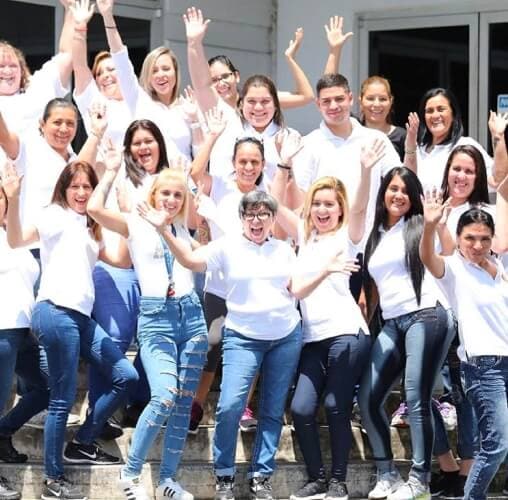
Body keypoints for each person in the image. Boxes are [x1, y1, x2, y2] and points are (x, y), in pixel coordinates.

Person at [142, 190, 302, 500]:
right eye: (250, 214)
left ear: (272, 219)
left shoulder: (284, 249)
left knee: (271, 410)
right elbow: (190, 259)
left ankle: (261, 476)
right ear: (242, 219)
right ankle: (224, 475)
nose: (257, 220)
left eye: (263, 214)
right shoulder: (226, 246)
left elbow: (298, 287)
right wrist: (164, 230)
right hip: (242, 336)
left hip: (285, 337)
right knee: (229, 406)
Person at [3, 158, 138, 500]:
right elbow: (17, 239)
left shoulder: (93, 227)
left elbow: (122, 259)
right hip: (55, 312)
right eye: (75, 186)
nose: (81, 192)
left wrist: (128, 216)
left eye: (87, 187)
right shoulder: (54, 216)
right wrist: (14, 197)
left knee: (126, 374)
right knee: (61, 400)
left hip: (81, 318)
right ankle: (53, 480)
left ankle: (82, 440)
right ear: (64, 189)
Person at [87, 149, 208, 500]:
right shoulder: (136, 222)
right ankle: (131, 474)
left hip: (192, 317)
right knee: (165, 395)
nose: (170, 199)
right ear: (153, 195)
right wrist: (109, 172)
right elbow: (94, 210)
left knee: (184, 405)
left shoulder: (184, 229)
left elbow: (198, 264)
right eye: (165, 193)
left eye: (177, 195)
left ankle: (169, 479)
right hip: (157, 319)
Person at [269, 139, 385, 500]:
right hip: (312, 338)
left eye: (329, 205)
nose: (322, 210)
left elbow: (362, 207)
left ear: (339, 210)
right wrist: (284, 166)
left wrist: (365, 170)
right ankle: (317, 478)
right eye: (316, 203)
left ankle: (338, 480)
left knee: (335, 406)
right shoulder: (305, 236)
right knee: (302, 407)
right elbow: (272, 206)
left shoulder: (348, 239)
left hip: (347, 334)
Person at [358, 167, 454, 500]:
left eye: (404, 190)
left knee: (416, 397)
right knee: (368, 399)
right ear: (383, 192)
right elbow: (372, 290)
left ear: (412, 197)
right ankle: (387, 474)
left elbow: (449, 252)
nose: (397, 194)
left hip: (427, 314)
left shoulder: (418, 225)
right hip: (393, 321)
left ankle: (420, 481)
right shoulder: (377, 233)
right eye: (392, 188)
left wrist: (435, 224)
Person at [184, 108, 272, 433]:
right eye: (243, 161)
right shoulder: (220, 185)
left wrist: (214, 216)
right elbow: (195, 173)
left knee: (249, 347)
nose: (248, 167)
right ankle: (195, 406)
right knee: (211, 345)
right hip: (219, 284)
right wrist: (212, 136)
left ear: (262, 165)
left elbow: (251, 237)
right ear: (234, 162)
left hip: (253, 286)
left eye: (254, 162)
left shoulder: (266, 196)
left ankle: (245, 408)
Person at [419, 198, 507, 500]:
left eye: (484, 238)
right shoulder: (454, 269)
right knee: (496, 445)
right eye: (470, 237)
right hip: (484, 369)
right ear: (458, 239)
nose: (477, 245)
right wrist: (430, 224)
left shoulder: (500, 270)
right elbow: (428, 257)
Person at [97, 0, 201, 162]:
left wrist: (195, 120)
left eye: (166, 69)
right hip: (148, 184)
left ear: (175, 72)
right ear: (148, 76)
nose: (160, 75)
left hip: (182, 184)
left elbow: (200, 155)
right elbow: (121, 60)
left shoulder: (189, 107)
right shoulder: (139, 101)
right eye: (154, 71)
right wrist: (108, 17)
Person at [0, 180, 47, 500]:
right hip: (2, 332)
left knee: (49, 387)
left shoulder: (14, 236)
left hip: (24, 332)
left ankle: (4, 432)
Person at [183, 6, 314, 115]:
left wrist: (290, 58)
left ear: (236, 76)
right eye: (214, 80)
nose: (221, 83)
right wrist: (194, 43)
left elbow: (306, 96)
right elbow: (201, 82)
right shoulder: (212, 106)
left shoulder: (257, 101)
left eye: (224, 77)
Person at [0, 0, 73, 165]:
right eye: (1, 66)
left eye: (13, 66)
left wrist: (70, 10)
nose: (7, 71)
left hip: (52, 177)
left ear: (22, 69)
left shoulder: (37, 87)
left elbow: (67, 55)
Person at [403, 88, 496, 190]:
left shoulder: (466, 145)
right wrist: (411, 145)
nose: (435, 115)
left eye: (441, 109)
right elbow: (407, 184)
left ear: (453, 114)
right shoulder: (418, 150)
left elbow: (495, 182)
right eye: (429, 111)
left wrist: (497, 140)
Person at [359, 76, 406, 160]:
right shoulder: (352, 128)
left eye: (382, 99)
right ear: (361, 101)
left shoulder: (402, 136)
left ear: (391, 101)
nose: (377, 104)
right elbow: (328, 89)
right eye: (370, 98)